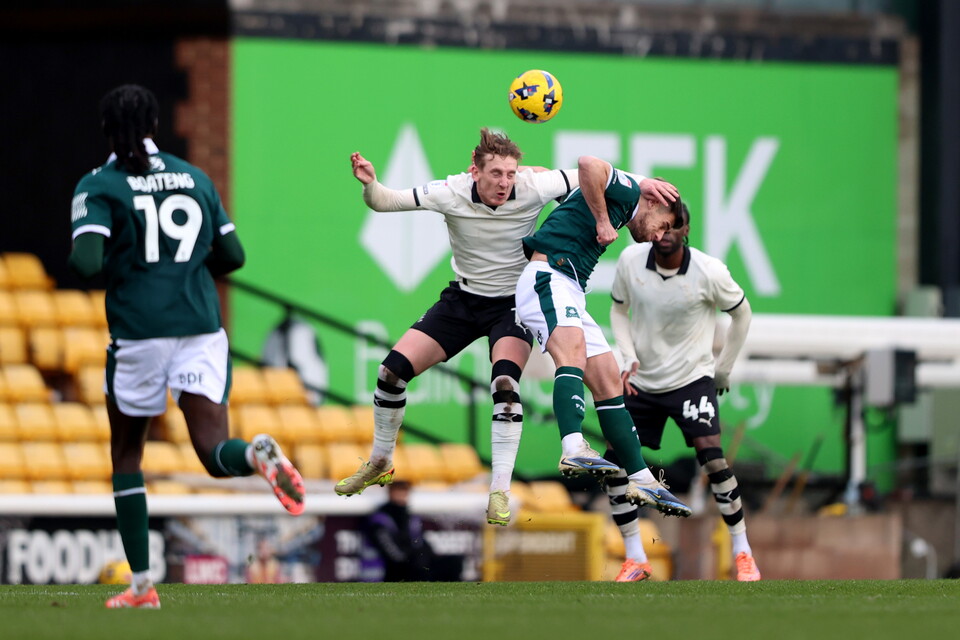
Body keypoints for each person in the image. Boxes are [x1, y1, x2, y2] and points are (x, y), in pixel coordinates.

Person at [68, 85, 305, 609]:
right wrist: (184, 269)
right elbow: (233, 255)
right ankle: (257, 455)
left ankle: (141, 587)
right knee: (214, 453)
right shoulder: (195, 177)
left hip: (140, 331)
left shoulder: (98, 185)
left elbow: (86, 262)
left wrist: (132, 270)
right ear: (156, 124)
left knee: (128, 456)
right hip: (201, 326)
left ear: (107, 130)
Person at [337, 128, 580, 527]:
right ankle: (381, 460)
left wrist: (646, 187)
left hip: (515, 304)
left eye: (511, 173)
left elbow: (597, 179)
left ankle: (500, 490)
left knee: (505, 385)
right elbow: (385, 201)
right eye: (496, 173)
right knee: (390, 372)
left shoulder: (536, 184)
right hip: (464, 301)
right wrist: (370, 184)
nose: (505, 182)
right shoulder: (450, 191)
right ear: (474, 172)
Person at [514, 155, 691, 517]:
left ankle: (640, 477)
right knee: (573, 355)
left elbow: (577, 189)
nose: (658, 237)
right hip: (547, 276)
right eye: (663, 226)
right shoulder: (628, 194)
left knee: (609, 378)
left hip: (570, 287)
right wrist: (604, 217)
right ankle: (573, 445)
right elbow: (589, 164)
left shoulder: (617, 201)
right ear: (653, 201)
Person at [605, 202, 761, 582]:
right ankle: (636, 556)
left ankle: (743, 551)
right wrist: (626, 355)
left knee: (712, 458)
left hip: (692, 380)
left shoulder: (710, 271)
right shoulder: (629, 260)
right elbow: (618, 311)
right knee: (615, 466)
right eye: (660, 225)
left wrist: (723, 369)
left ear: (687, 230)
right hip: (642, 382)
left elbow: (742, 313)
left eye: (675, 225)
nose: (666, 232)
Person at [363, 480, 438, 581]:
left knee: (450, 562)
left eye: (404, 493)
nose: (401, 497)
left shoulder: (411, 518)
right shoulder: (380, 519)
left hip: (409, 564)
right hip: (386, 569)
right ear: (390, 494)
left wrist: (426, 558)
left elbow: (420, 543)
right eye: (398, 493)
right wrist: (411, 561)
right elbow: (390, 551)